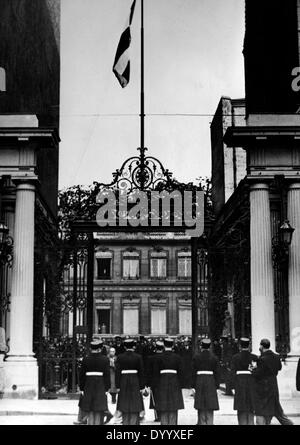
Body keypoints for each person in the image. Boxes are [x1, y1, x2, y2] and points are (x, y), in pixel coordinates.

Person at [251, 338, 293, 425]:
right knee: (277, 410)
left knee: (265, 409)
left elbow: (258, 374)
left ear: (262, 346)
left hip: (264, 387)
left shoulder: (262, 359)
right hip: (273, 385)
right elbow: (279, 368)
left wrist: (252, 370)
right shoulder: (276, 356)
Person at [78, 339, 111, 425]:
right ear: (100, 349)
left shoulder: (85, 359)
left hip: (88, 384)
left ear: (90, 349)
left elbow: (81, 375)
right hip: (100, 384)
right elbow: (107, 375)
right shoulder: (105, 359)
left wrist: (82, 388)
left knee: (90, 406)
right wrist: (107, 388)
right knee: (99, 406)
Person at [115, 338, 145, 425]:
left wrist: (117, 386)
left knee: (124, 403)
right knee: (135, 403)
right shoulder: (138, 357)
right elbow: (141, 372)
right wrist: (142, 386)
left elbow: (117, 372)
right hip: (135, 380)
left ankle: (125, 422)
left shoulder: (120, 357)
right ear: (134, 346)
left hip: (123, 381)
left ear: (124, 347)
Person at [156, 338, 185, 425]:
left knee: (163, 407)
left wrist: (155, 385)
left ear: (164, 346)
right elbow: (181, 373)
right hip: (174, 382)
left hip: (162, 382)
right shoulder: (178, 357)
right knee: (173, 407)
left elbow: (155, 373)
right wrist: (181, 385)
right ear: (172, 346)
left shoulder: (159, 357)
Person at [192, 338, 220, 425]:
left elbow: (193, 373)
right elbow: (217, 373)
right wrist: (217, 386)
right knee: (210, 405)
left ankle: (201, 422)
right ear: (210, 347)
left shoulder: (196, 357)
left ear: (201, 347)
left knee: (200, 406)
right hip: (210, 381)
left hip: (199, 381)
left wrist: (193, 386)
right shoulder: (214, 358)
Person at [230, 338, 257, 425]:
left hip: (239, 383)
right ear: (249, 346)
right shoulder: (254, 357)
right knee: (251, 406)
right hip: (251, 383)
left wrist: (232, 386)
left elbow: (232, 373)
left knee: (241, 407)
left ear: (240, 346)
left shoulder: (235, 357)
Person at [146, 340, 164, 422]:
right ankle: (163, 414)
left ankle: (157, 416)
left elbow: (149, 371)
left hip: (154, 381)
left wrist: (148, 383)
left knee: (155, 398)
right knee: (163, 397)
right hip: (163, 380)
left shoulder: (151, 358)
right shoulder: (165, 357)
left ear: (155, 348)